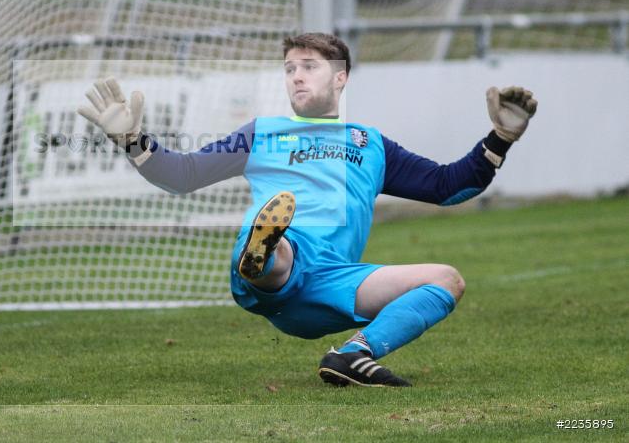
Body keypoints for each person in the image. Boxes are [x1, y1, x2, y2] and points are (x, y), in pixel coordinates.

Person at [77, 33, 538, 387]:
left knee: (447, 279)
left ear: (340, 77)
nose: (296, 76)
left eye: (309, 67)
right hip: (284, 267)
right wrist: (131, 140)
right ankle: (263, 255)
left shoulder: (370, 143)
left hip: (334, 283)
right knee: (282, 248)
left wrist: (499, 138)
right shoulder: (263, 133)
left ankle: (352, 356)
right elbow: (182, 174)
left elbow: (449, 187)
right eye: (289, 68)